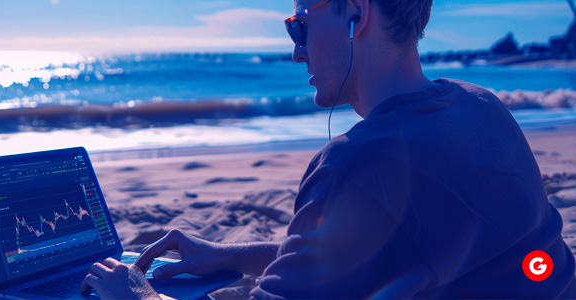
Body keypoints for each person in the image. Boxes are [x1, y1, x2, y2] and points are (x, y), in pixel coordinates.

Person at [80, 0, 576, 298]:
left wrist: (137, 294)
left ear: (355, 14)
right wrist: (225, 255)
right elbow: (379, 251)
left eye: (299, 25)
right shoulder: (479, 104)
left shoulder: (357, 163)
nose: (296, 50)